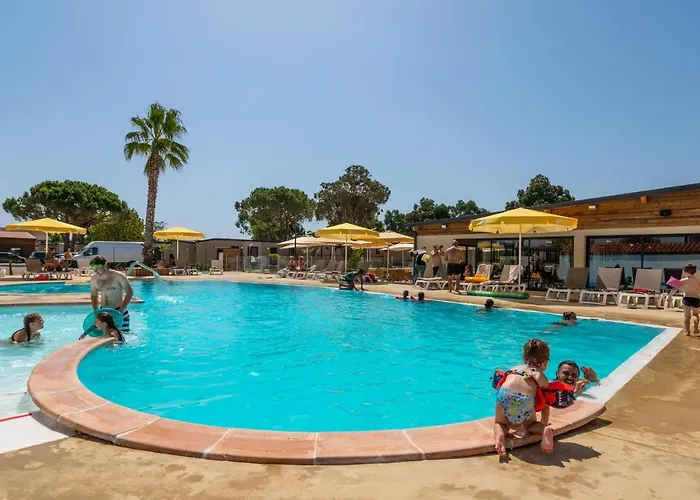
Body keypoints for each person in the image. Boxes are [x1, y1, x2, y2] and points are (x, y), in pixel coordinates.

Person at [493, 339, 554, 457]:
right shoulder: (539, 375)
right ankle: (544, 431)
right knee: (530, 425)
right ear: (546, 362)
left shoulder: (514, 368)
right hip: (525, 400)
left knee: (500, 423)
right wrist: (544, 423)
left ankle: (500, 435)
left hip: (505, 395)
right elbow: (546, 403)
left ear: (524, 357)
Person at [90, 255, 133, 334]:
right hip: (104, 313)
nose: (95, 271)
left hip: (119, 310)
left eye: (97, 267)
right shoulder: (94, 278)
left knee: (123, 336)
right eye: (92, 268)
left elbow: (129, 292)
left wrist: (121, 310)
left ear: (105, 265)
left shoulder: (119, 276)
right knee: (105, 337)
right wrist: (96, 312)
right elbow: (94, 295)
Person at [668, 263, 700, 336]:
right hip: (696, 299)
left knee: (687, 316)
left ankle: (687, 331)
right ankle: (696, 328)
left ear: (685, 272)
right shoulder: (697, 281)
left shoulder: (683, 280)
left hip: (687, 299)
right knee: (695, 314)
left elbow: (674, 289)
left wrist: (669, 296)